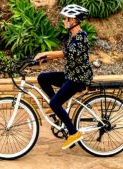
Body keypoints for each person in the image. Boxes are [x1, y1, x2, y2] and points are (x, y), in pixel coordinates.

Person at [34, 4, 93, 149]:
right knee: (42, 78)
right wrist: (43, 58)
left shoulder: (81, 37)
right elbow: (65, 51)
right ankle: (57, 106)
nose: (63, 21)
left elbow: (64, 53)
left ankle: (73, 133)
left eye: (65, 18)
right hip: (70, 74)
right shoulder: (72, 35)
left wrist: (46, 54)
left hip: (78, 78)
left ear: (73, 20)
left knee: (54, 103)